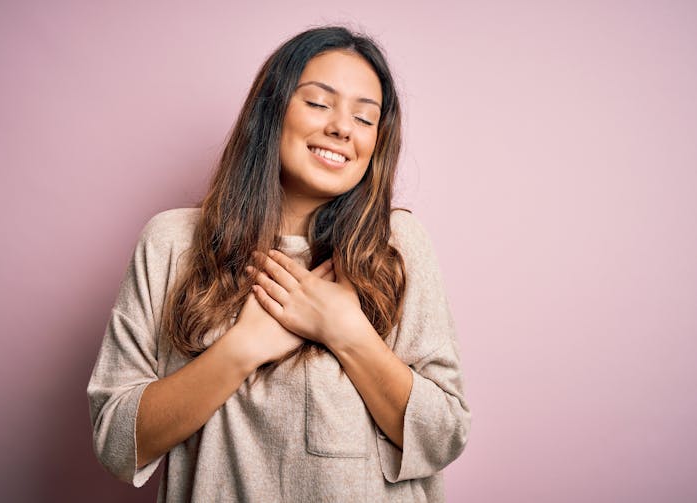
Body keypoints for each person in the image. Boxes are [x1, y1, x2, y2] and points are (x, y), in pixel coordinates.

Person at [87, 26, 470, 502]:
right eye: (317, 102)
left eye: (365, 118)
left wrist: (346, 332)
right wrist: (242, 347)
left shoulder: (397, 248)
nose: (342, 128)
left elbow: (444, 434)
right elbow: (117, 442)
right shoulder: (171, 244)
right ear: (271, 110)